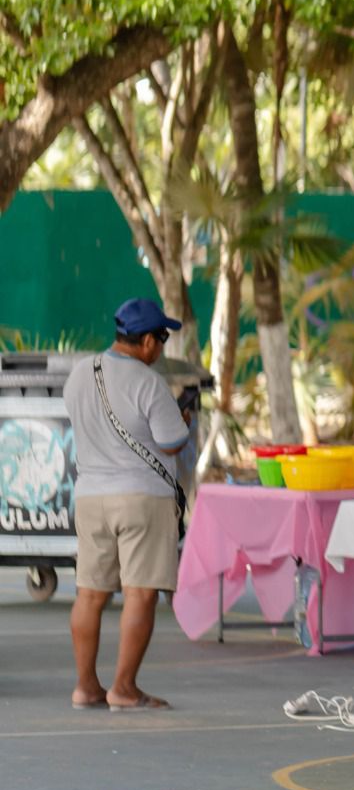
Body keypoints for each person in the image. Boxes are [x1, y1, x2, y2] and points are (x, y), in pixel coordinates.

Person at [62, 299, 191, 712]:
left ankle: (85, 687)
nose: (163, 348)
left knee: (90, 594)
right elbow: (171, 441)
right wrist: (183, 421)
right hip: (142, 498)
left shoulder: (80, 373)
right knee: (140, 593)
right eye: (163, 339)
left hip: (90, 496)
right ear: (148, 341)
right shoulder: (148, 383)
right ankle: (124, 688)